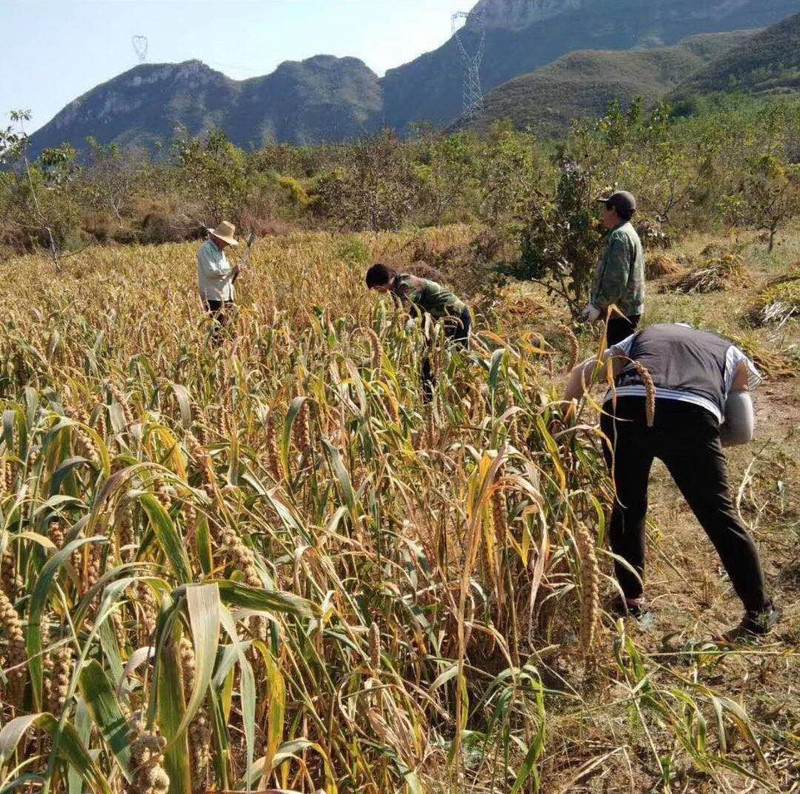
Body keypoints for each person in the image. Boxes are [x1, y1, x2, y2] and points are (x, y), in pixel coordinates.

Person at [564, 322, 779, 639]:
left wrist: (561, 421)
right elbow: (742, 431)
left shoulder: (643, 336)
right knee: (718, 515)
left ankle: (632, 603)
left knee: (627, 505)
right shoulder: (730, 351)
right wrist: (692, 445)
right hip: (692, 415)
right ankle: (759, 613)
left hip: (624, 406)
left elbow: (582, 373)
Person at [366, 264, 471, 402]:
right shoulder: (396, 288)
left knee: (460, 360)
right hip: (435, 325)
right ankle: (429, 400)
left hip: (457, 317)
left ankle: (469, 395)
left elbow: (404, 316)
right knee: (426, 360)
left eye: (374, 287)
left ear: (380, 283)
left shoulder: (406, 286)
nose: (375, 291)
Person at [582, 190, 645, 346]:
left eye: (605, 208)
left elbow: (616, 281)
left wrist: (598, 305)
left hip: (621, 312)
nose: (602, 214)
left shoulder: (620, 236)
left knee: (619, 363)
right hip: (626, 310)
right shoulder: (627, 232)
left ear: (613, 210)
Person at [197, 220, 239, 336]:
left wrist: (234, 273)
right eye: (226, 241)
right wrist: (231, 270)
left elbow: (223, 274)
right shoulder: (206, 249)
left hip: (225, 295)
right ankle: (215, 352)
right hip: (213, 298)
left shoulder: (220, 251)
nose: (227, 244)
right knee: (218, 333)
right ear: (219, 238)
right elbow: (211, 272)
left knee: (229, 329)